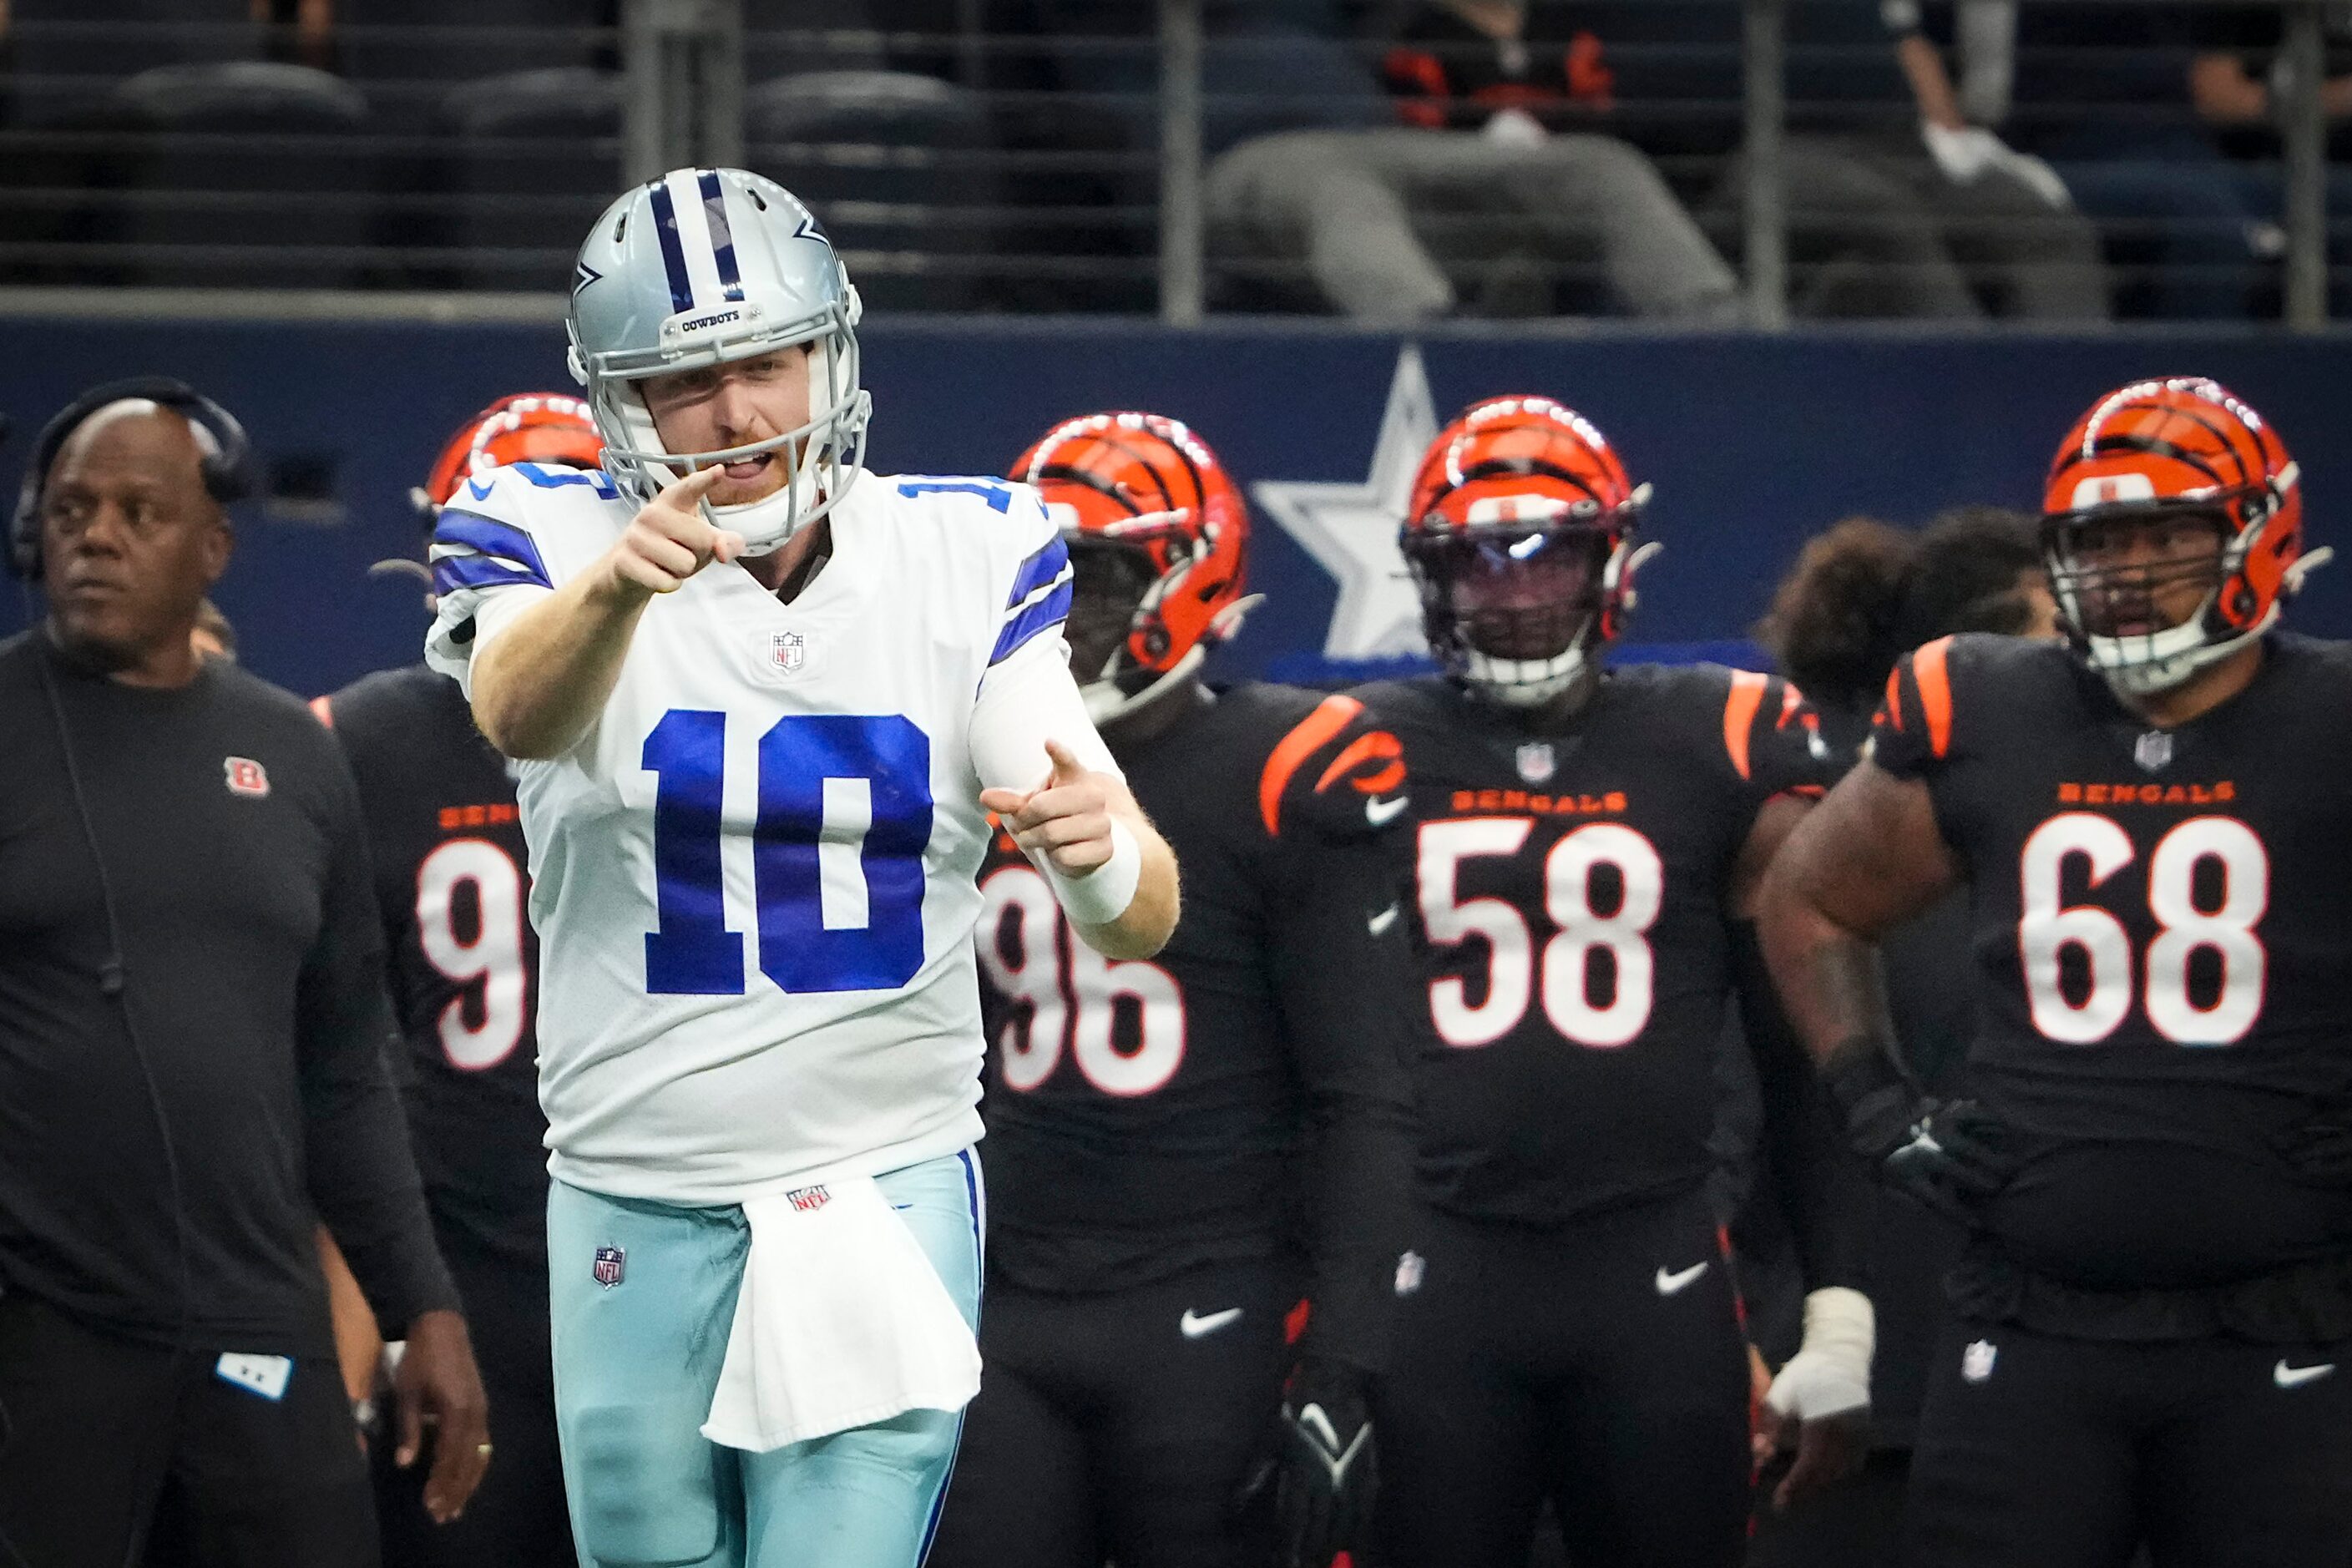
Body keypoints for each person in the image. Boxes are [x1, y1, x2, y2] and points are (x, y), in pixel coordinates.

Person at [422, 168, 1179, 1568]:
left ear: (829, 353)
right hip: (630, 1178)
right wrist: (621, 585)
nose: (735, 413)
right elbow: (519, 713)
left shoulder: (970, 548)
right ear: (615, 405)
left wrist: (1092, 859)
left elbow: (1137, 910)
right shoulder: (541, 530)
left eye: (765, 361)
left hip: (877, 1177)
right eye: (682, 380)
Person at [1758, 377, 2352, 1566]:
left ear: (2256, 535)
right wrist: (1878, 1106)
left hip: (2284, 1324)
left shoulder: (2329, 716)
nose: (2130, 570)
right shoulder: (1989, 701)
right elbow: (1809, 897)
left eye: (2168, 536)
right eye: (2099, 541)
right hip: (2026, 1328)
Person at [1349, 394, 1869, 1568]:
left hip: (1656, 1267)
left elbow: (1795, 1048)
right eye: (1480, 561)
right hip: (1432, 1266)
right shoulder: (1352, 747)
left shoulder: (1725, 736)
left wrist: (1838, 1306)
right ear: (1430, 576)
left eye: (1551, 556)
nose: (1520, 593)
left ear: (1613, 560)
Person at [0, 379, 488, 1565]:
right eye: (70, 511)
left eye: (136, 511)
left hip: (259, 1314)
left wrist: (421, 1306)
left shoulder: (294, 754)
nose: (96, 535)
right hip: (41, 1329)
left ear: (213, 547)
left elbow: (344, 1070)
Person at [930, 412, 1416, 1568]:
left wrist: (1344, 1362)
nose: (1062, 616)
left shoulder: (1287, 769)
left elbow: (1365, 1092)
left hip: (1214, 1305)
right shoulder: (952, 764)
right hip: (1001, 1298)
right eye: (1040, 581)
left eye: (1096, 578)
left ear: (1189, 584)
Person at [316, 392, 606, 1568]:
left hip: (667, 1241)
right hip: (458, 1262)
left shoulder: (705, 717)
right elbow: (322, 1052)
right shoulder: (355, 742)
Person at [1743, 507, 2058, 1567]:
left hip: (2002, 1370)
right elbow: (1734, 1105)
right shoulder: (1832, 845)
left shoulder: (2079, 839)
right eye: (2063, 629)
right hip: (1856, 1376)